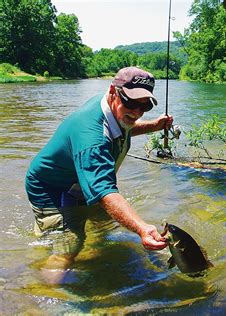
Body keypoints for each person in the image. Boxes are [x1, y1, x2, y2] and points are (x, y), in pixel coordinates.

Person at [25, 67, 172, 283]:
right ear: (113, 91)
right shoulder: (91, 135)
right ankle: (41, 292)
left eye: (145, 106)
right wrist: (141, 227)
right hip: (53, 188)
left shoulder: (113, 110)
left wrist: (154, 126)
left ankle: (96, 256)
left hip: (84, 181)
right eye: (131, 102)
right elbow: (104, 190)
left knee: (105, 226)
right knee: (69, 247)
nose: (138, 112)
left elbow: (126, 124)